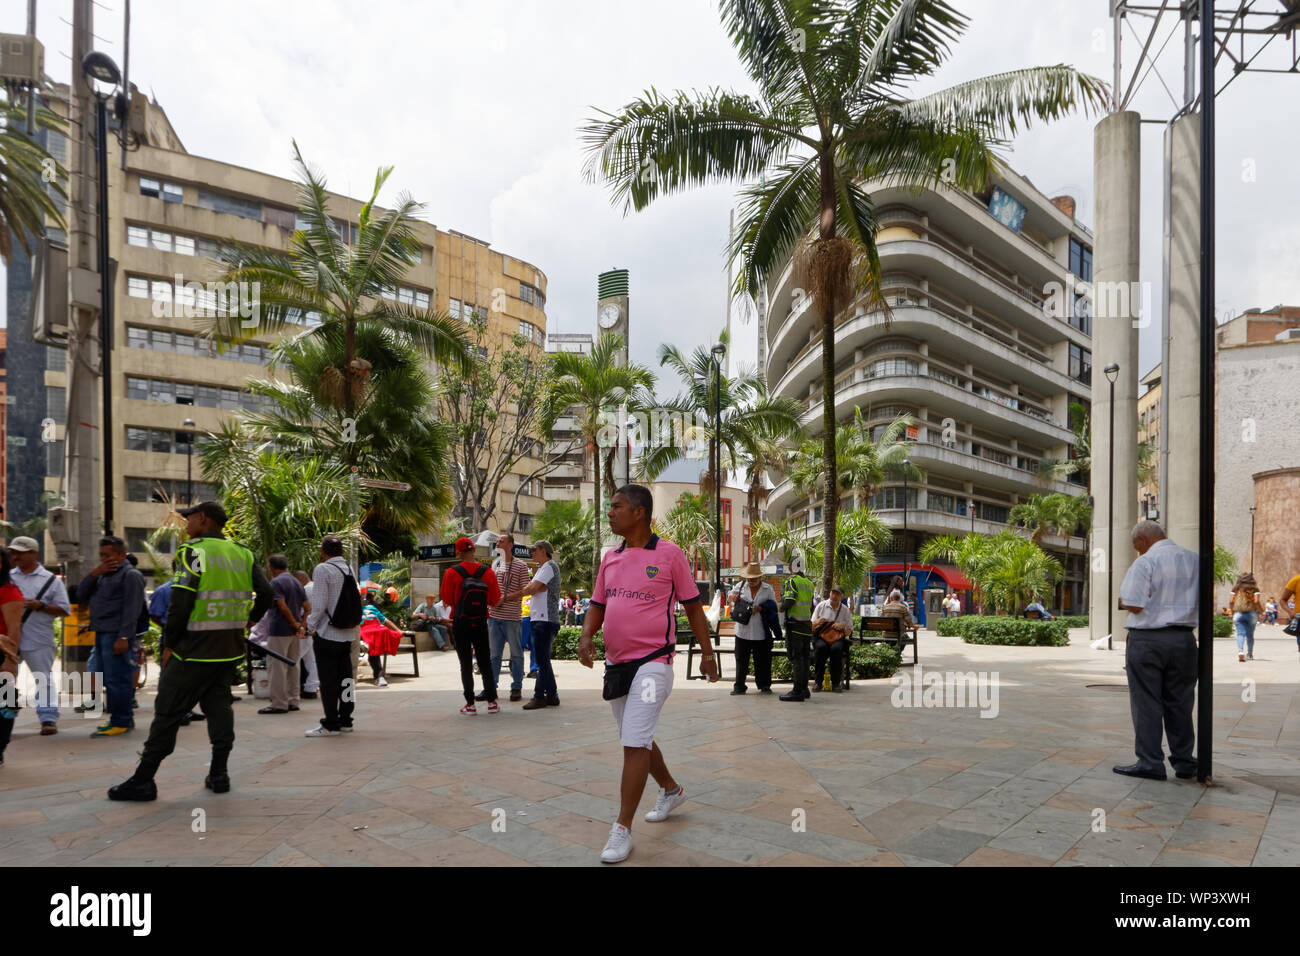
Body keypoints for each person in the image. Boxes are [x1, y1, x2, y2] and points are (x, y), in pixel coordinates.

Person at [578, 484, 717, 864]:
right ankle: (671, 789)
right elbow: (597, 603)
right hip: (617, 665)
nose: (610, 513)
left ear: (639, 512)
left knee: (634, 740)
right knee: (635, 737)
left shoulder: (671, 555)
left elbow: (692, 609)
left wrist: (707, 654)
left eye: (617, 507)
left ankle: (622, 828)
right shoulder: (611, 557)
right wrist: (587, 635)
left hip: (655, 663)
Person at [108, 501, 274, 800]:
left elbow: (181, 603)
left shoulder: (193, 552)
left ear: (202, 519)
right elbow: (267, 592)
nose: (186, 524)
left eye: (189, 519)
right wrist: (249, 620)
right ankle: (219, 773)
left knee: (167, 713)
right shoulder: (242, 553)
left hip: (193, 651)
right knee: (219, 707)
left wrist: (169, 645)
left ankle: (144, 780)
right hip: (228, 649)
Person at [1113, 520, 1199, 781]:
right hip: (1184, 640)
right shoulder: (1195, 559)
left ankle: (1150, 762)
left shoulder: (1145, 562)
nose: (1137, 550)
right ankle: (1184, 762)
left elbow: (1134, 604)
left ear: (1142, 541)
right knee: (1181, 702)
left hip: (1149, 641)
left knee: (1147, 702)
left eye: (1135, 545)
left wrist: (1121, 601)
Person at [77, 536, 145, 736]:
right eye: (101, 556)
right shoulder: (103, 575)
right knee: (107, 678)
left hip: (116, 634)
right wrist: (95, 574)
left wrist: (123, 637)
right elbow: (80, 595)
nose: (104, 559)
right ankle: (118, 719)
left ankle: (122, 721)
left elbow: (132, 609)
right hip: (101, 631)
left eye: (108, 555)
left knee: (118, 678)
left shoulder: (131, 575)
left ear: (122, 555)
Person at [8, 537, 71, 735]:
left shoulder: (50, 580)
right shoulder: (8, 577)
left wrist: (41, 606)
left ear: (34, 554)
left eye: (20, 552)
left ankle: (48, 719)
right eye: (14, 552)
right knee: (6, 679)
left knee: (43, 679)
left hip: (39, 639)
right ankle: (5, 718)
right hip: (10, 639)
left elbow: (64, 610)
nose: (15, 556)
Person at [303, 536, 363, 737]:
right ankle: (346, 719)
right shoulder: (349, 569)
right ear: (342, 552)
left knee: (328, 682)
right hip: (347, 634)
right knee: (346, 679)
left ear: (323, 551)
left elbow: (319, 605)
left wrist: (310, 626)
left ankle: (331, 723)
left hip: (328, 633)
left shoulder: (323, 569)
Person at [441, 536, 502, 715]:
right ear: (474, 550)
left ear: (458, 552)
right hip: (481, 620)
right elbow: (494, 599)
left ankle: (470, 704)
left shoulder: (451, 572)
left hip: (460, 622)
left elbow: (447, 599)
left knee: (465, 664)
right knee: (485, 662)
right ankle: (492, 702)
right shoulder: (488, 572)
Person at [504, 539, 562, 710]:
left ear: (543, 551)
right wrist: (533, 587)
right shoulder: (544, 568)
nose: (532, 552)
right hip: (541, 619)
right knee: (543, 660)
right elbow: (533, 588)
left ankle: (540, 697)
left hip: (545, 620)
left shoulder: (549, 567)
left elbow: (531, 589)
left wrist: (507, 598)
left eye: (534, 550)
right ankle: (551, 695)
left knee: (542, 660)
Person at [258, 555, 308, 714]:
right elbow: (308, 607)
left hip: (280, 629)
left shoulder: (276, 582)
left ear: (272, 567)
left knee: (277, 667)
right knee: (294, 665)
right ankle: (294, 700)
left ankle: (279, 703)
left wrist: (294, 622)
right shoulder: (296, 582)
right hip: (294, 632)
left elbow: (281, 605)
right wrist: (301, 625)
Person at [484, 532, 530, 703]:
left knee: (516, 654)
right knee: (494, 655)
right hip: (494, 616)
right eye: (497, 541)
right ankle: (492, 687)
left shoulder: (521, 565)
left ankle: (516, 686)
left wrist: (506, 598)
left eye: (501, 541)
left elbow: (526, 589)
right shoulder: (495, 564)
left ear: (511, 544)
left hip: (512, 617)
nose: (498, 543)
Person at [729, 562, 782, 696]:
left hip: (760, 631)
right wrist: (733, 598)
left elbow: (773, 606)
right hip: (742, 630)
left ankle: (764, 685)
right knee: (741, 660)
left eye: (753, 578)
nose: (751, 581)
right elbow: (730, 596)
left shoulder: (767, 589)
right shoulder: (740, 586)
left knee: (763, 660)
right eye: (749, 578)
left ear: (759, 577)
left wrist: (762, 608)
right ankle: (739, 686)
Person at [0, 549, 27, 766]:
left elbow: (14, 629)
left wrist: (10, 661)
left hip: (2, 654)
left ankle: (0, 746)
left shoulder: (8, 591)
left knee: (6, 702)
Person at [779, 555, 816, 702]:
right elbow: (812, 606)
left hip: (794, 626)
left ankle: (797, 691)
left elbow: (790, 599)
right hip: (806, 626)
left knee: (796, 659)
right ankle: (804, 689)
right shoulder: (809, 583)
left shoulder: (791, 581)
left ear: (790, 568)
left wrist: (781, 607)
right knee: (805, 658)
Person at [812, 585, 854, 693]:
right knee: (820, 648)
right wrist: (818, 622)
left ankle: (836, 683)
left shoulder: (845, 610)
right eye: (833, 593)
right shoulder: (821, 606)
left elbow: (849, 631)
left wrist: (843, 627)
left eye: (837, 594)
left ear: (841, 596)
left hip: (837, 637)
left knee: (836, 649)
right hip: (822, 636)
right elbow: (811, 626)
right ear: (830, 594)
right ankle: (818, 682)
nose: (834, 596)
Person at [292, 571, 319, 697]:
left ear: (299, 579)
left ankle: (292, 690)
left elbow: (304, 610)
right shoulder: (316, 587)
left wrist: (300, 626)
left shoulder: (305, 590)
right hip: (314, 629)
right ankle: (311, 688)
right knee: (310, 659)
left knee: (295, 658)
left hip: (305, 628)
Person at [1229, 572, 1264, 662]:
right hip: (1252, 614)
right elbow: (1256, 602)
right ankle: (1250, 654)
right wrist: (1261, 612)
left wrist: (1232, 612)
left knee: (1240, 634)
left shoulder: (1236, 588)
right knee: (1250, 635)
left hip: (1239, 613)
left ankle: (1240, 651)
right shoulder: (1255, 589)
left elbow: (1231, 601)